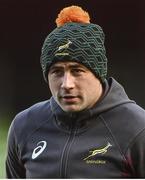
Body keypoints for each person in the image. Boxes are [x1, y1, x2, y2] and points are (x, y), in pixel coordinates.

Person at [6, 5, 145, 178]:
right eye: (57, 72)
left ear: (98, 73)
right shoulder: (24, 126)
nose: (67, 84)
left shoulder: (137, 128)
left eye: (77, 70)